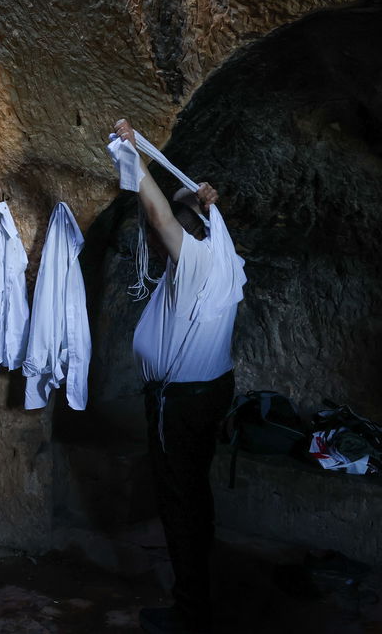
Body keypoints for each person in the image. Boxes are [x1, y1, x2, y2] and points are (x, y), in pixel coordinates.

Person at [113, 118, 246, 634]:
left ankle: (191, 612)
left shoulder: (193, 264)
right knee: (194, 492)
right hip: (211, 392)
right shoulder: (224, 254)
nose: (156, 231)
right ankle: (200, 590)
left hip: (182, 402)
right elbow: (178, 214)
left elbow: (158, 211)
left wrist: (133, 156)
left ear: (183, 229)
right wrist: (199, 200)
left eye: (171, 218)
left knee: (179, 503)